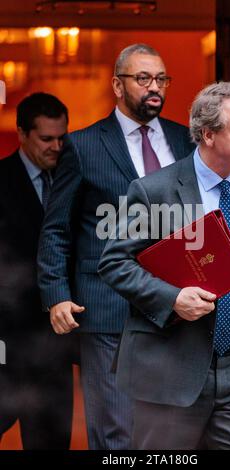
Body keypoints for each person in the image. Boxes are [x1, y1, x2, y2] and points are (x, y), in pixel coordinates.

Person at [98, 81, 230, 450]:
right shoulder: (154, 190)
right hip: (171, 369)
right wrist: (172, 298)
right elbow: (114, 262)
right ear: (207, 134)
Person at [37, 43, 195, 450]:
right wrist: (56, 295)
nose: (154, 87)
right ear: (117, 86)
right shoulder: (83, 145)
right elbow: (57, 228)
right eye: (143, 78)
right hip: (107, 306)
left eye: (161, 78)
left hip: (176, 305)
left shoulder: (186, 141)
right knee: (114, 432)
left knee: (169, 431)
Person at [0, 92, 73, 449]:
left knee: (50, 441)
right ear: (22, 134)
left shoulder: (75, 180)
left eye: (62, 138)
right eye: (46, 139)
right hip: (6, 336)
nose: (56, 147)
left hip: (55, 341)